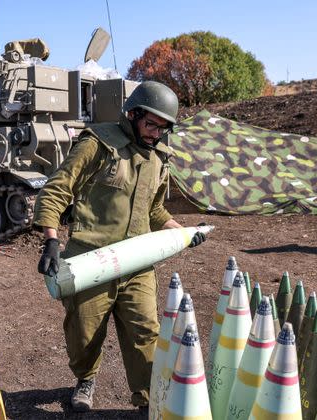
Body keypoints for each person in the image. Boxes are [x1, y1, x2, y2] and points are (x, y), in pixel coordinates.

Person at [32, 80, 206, 413]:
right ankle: (86, 378)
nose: (156, 133)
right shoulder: (98, 143)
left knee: (146, 334)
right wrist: (51, 241)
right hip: (90, 261)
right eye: (151, 123)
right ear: (133, 114)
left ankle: (147, 398)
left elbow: (154, 211)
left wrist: (183, 232)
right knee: (83, 334)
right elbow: (56, 191)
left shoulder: (157, 160)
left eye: (162, 128)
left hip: (137, 263)